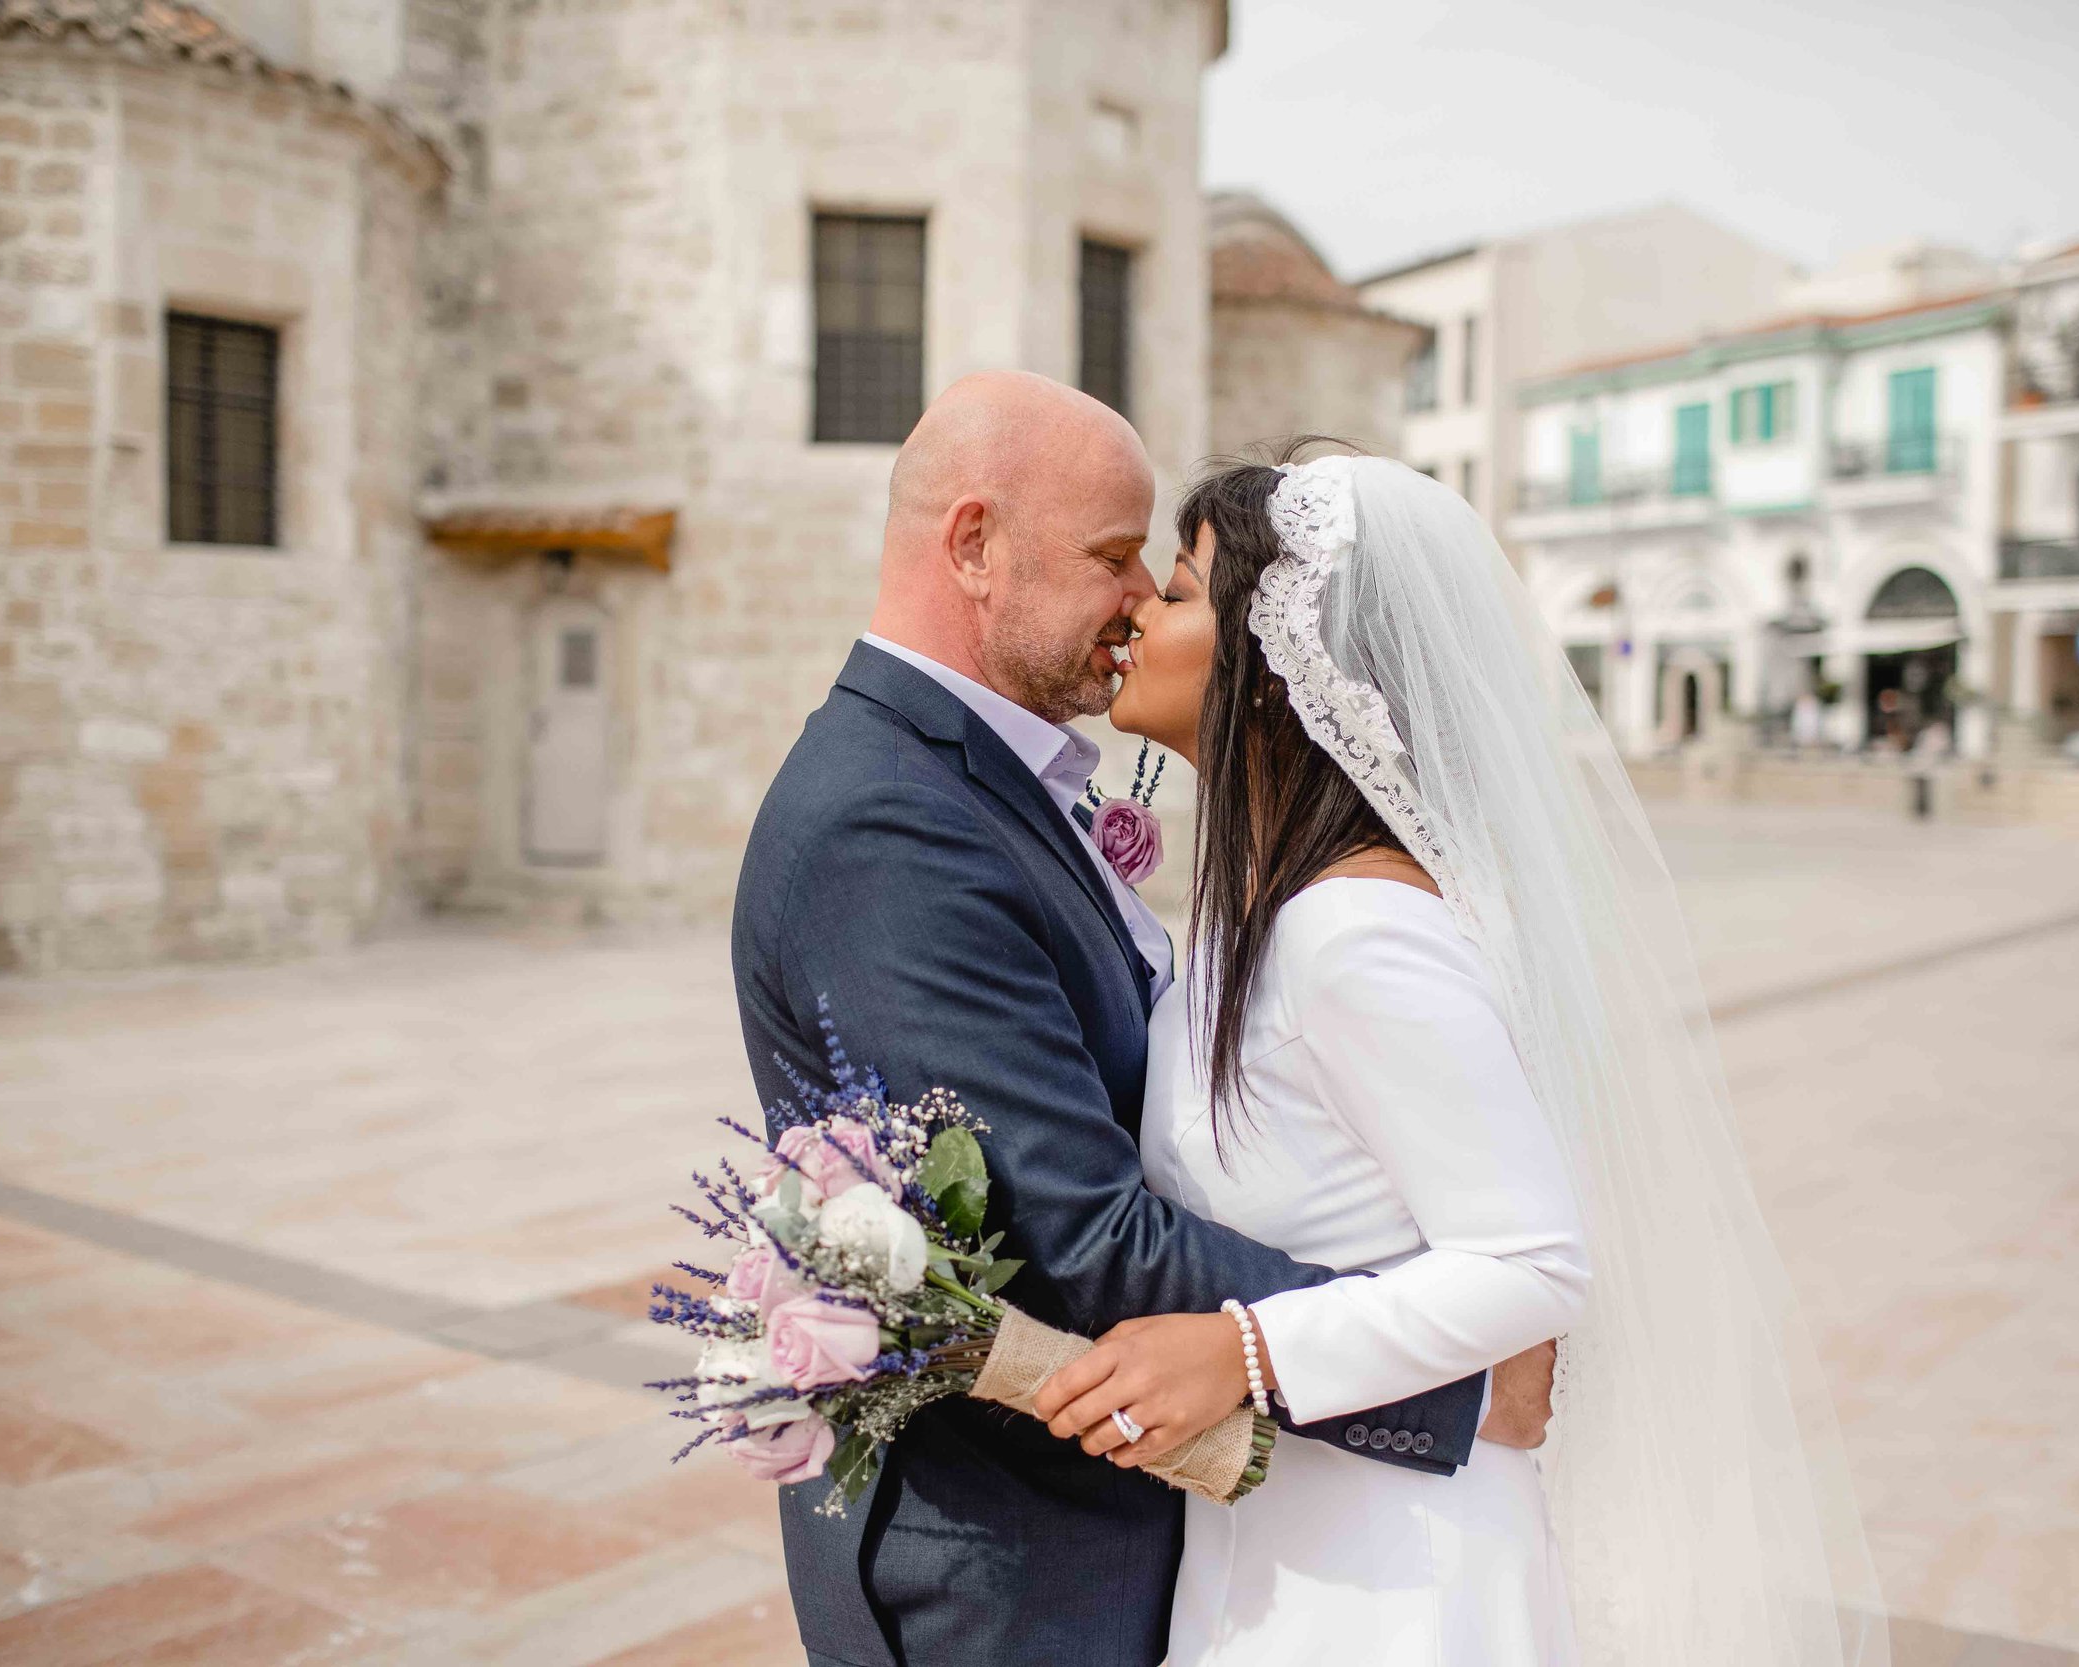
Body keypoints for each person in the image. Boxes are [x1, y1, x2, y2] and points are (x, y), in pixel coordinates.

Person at [729, 376, 1556, 1667]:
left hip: (1263, 1541)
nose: (1137, 602)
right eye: (1120, 561)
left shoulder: (1317, 915)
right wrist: (1453, 1373)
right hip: (1011, 1568)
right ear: (974, 546)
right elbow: (1079, 1234)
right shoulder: (885, 820)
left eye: (1168, 584)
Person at [1030, 448, 1890, 1666]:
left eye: (1175, 592)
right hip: (1277, 1534)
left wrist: (1244, 1346)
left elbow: (1532, 1261)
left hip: (1391, 1577)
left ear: (1275, 670)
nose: (1137, 613)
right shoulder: (1257, 916)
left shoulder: (1354, 931)